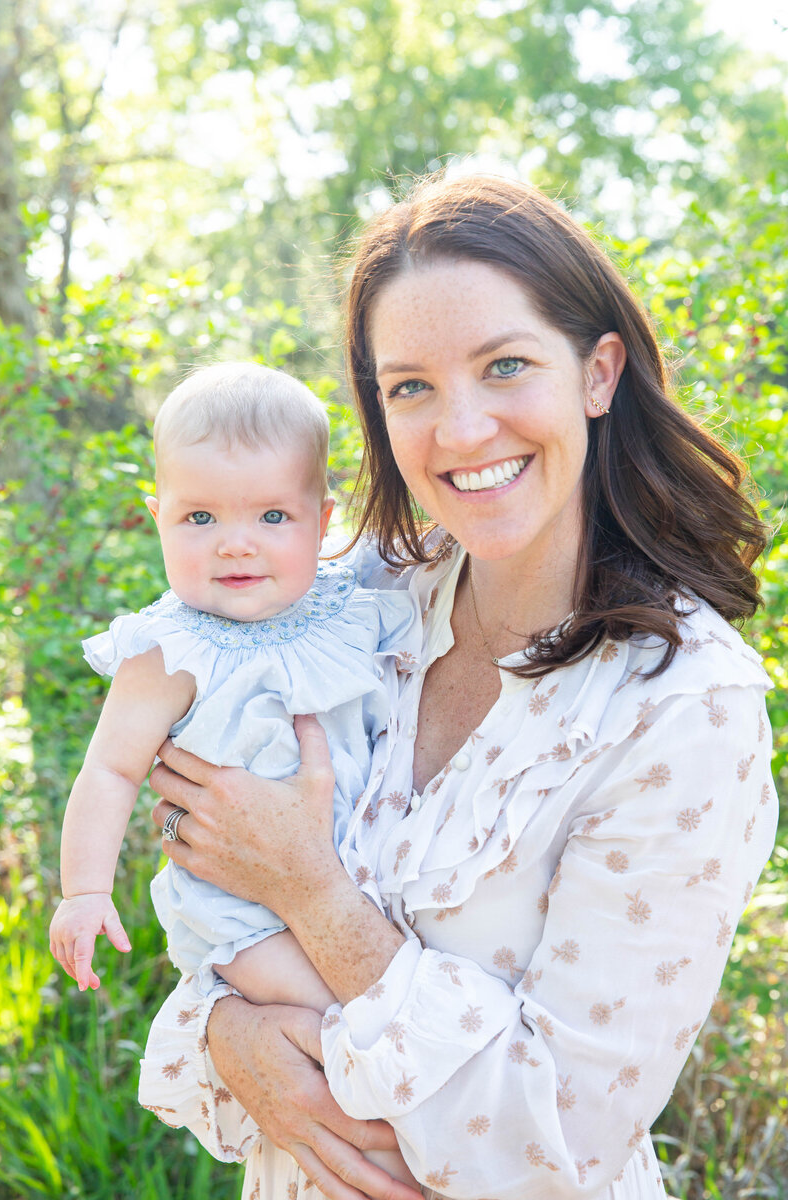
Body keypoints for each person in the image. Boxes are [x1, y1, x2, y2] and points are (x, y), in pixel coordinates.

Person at [137, 175, 777, 1200]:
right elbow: (206, 881)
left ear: (598, 373)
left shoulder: (681, 709)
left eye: (505, 366)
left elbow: (554, 1144)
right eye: (410, 387)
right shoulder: (348, 600)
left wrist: (311, 893)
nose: (462, 430)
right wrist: (225, 1033)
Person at [48, 361, 420, 1188]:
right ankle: (391, 1161)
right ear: (158, 518)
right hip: (245, 916)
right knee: (364, 1034)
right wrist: (83, 891)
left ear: (324, 521)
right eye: (201, 516)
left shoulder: (349, 608)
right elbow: (109, 771)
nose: (235, 541)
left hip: (354, 886)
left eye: (272, 514)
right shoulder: (170, 651)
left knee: (392, 1011)